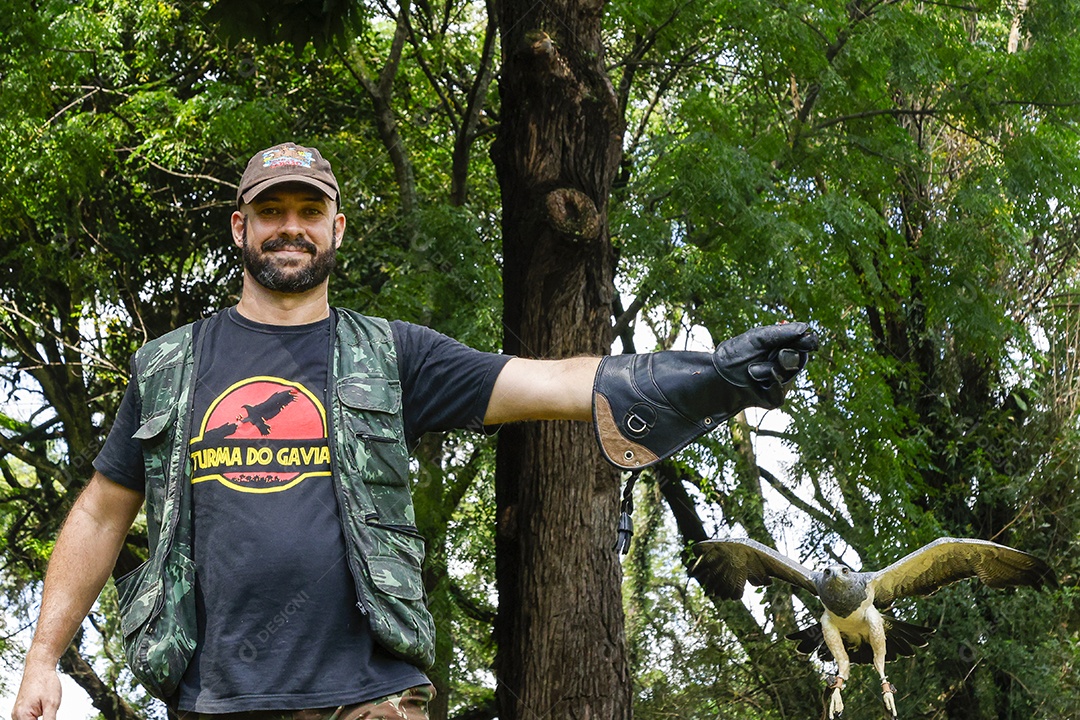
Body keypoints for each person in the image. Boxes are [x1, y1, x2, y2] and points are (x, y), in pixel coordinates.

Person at [11, 143, 818, 720]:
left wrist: (707, 377)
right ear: (239, 228)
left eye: (308, 211)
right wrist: (42, 658)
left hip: (372, 695)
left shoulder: (392, 355)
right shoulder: (171, 366)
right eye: (271, 212)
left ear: (336, 229)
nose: (290, 227)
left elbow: (549, 381)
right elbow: (100, 512)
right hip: (214, 696)